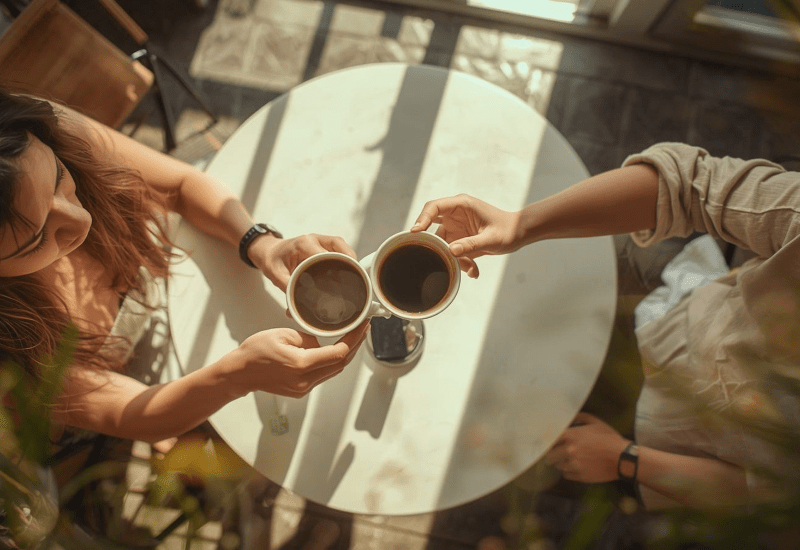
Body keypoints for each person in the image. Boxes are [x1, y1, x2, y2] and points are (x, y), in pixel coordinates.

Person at [412, 142, 800, 511]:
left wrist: (623, 459)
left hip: (652, 446)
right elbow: (688, 184)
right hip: (670, 314)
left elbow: (767, 496)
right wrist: (521, 225)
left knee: (517, 446)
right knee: (549, 274)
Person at [0, 88, 369, 461]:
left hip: (193, 262)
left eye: (60, 178)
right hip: (156, 381)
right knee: (245, 455)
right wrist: (238, 375)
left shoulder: (31, 131)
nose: (82, 221)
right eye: (36, 240)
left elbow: (180, 186)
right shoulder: (10, 348)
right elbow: (129, 412)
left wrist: (260, 243)